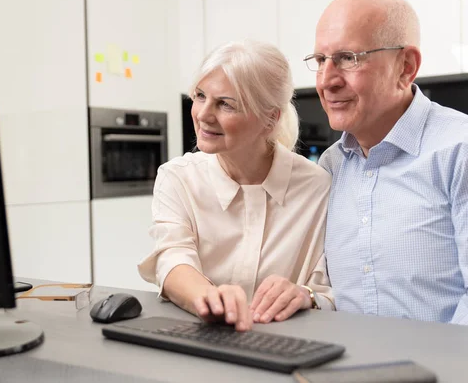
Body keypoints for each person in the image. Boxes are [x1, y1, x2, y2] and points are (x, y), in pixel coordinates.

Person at [308, 0, 468, 328]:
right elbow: (352, 295)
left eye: (348, 58)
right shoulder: (332, 166)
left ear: (405, 67)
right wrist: (312, 300)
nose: (327, 81)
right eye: (320, 60)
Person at [138, 40, 334, 331]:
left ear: (270, 118)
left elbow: (331, 289)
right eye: (200, 96)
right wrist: (211, 298)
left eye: (225, 104)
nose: (203, 114)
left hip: (289, 345)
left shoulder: (318, 188)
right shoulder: (178, 178)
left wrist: (306, 295)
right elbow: (172, 257)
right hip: (201, 341)